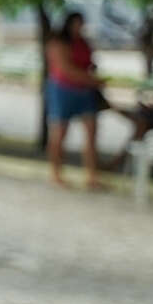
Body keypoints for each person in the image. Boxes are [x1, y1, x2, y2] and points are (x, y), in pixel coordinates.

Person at [46, 10, 110, 191]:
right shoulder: (58, 43)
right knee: (59, 133)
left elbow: (88, 64)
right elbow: (65, 69)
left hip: (84, 91)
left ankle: (92, 176)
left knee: (91, 134)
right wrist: (93, 80)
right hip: (63, 90)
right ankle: (56, 173)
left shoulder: (82, 42)